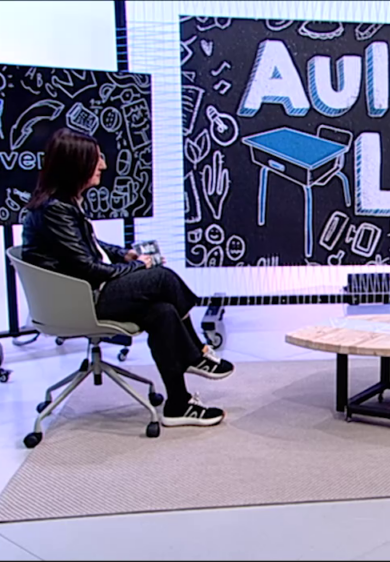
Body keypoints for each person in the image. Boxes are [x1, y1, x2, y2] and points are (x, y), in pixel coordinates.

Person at [21, 128, 234, 428]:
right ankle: (196, 351)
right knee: (161, 278)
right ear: (76, 164)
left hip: (85, 294)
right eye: (96, 159)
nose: (104, 165)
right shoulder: (55, 210)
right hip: (80, 301)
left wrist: (124, 255)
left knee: (162, 311)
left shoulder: (63, 203)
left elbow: (89, 246)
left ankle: (178, 404)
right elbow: (88, 269)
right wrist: (137, 267)